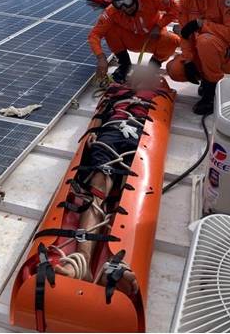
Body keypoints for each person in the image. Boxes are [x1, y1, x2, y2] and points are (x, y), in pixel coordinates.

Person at [53, 66, 170, 297]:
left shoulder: (158, 93)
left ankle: (117, 260)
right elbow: (100, 115)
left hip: (138, 131)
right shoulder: (117, 92)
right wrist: (92, 133)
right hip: (112, 131)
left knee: (130, 182)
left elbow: (158, 117)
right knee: (99, 180)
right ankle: (83, 260)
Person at [88, 0, 181, 83]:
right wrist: (101, 57)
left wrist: (159, 26)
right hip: (130, 40)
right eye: (119, 3)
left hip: (152, 38)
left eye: (127, 2)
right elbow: (94, 35)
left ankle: (153, 67)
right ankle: (124, 65)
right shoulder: (112, 11)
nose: (124, 8)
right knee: (109, 29)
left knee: (173, 40)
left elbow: (175, 8)